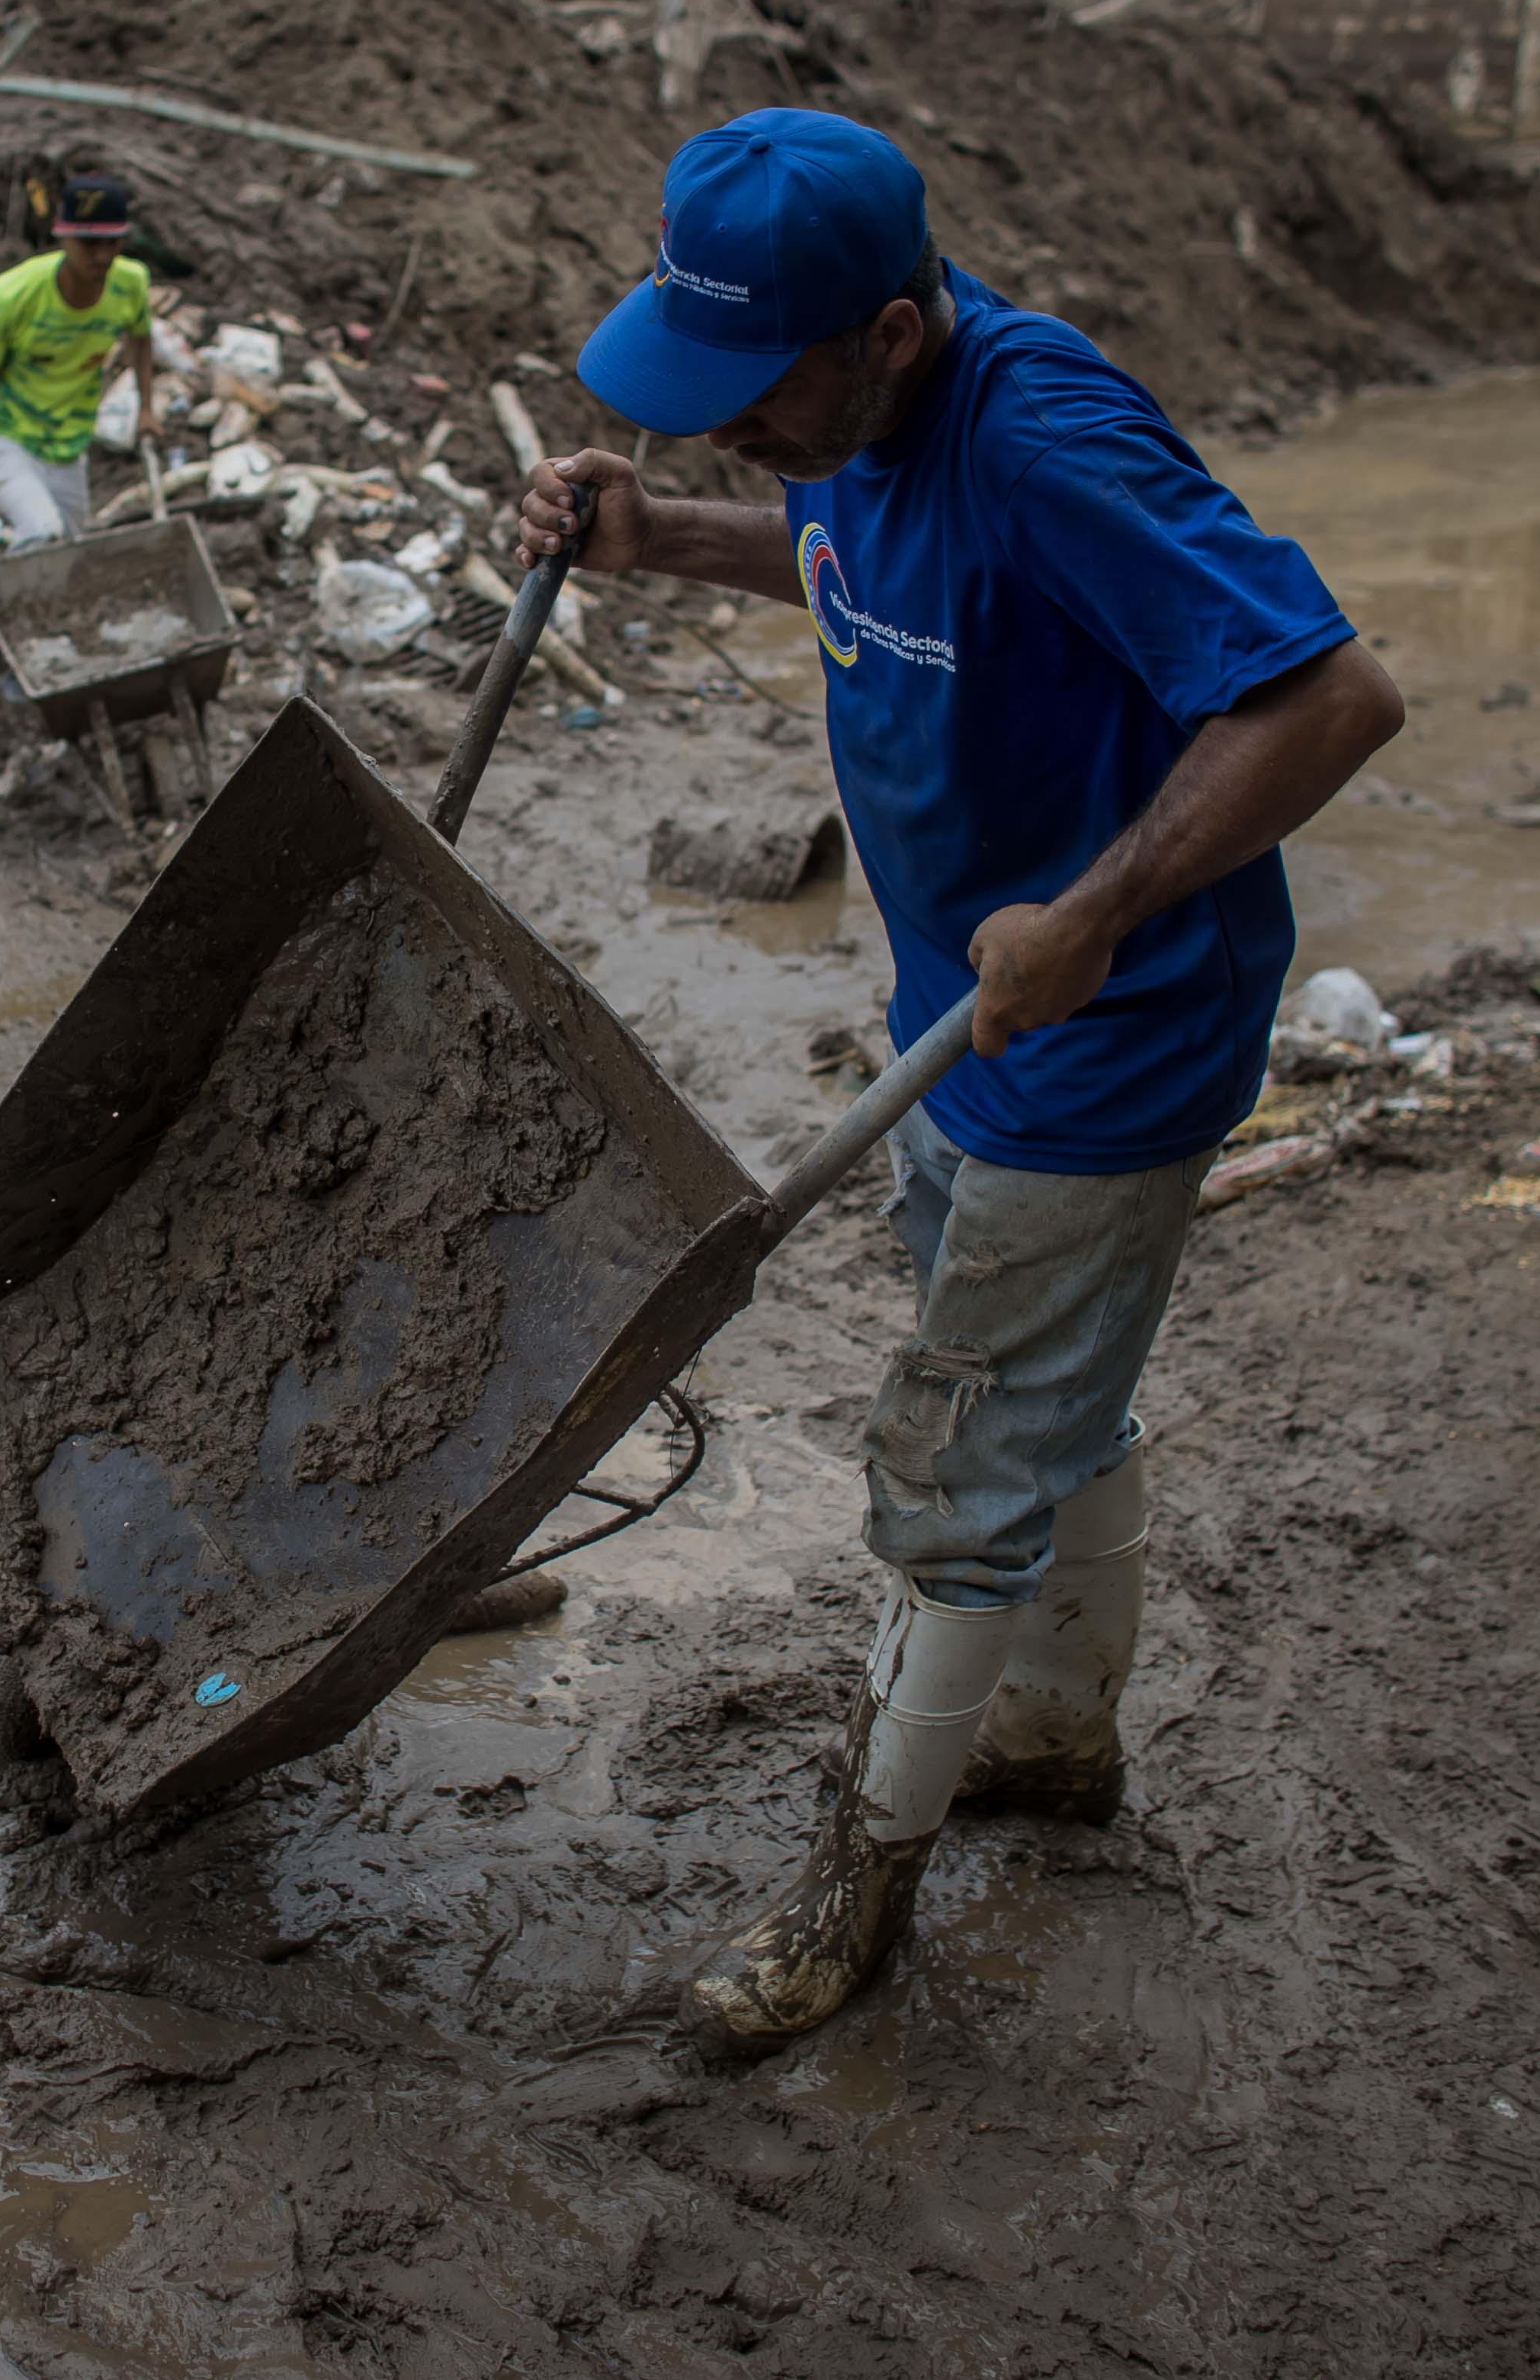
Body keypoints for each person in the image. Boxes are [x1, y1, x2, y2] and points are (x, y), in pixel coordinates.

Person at [521, 109, 1401, 2050]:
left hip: (1103, 1037)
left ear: (898, 334)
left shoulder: (1042, 441)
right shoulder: (865, 424)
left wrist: (1093, 910)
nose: (728, 431)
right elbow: (862, 554)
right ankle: (1057, 1739)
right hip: (965, 1021)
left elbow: (1328, 694)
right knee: (1045, 1409)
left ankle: (856, 1886)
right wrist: (660, 537)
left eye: (755, 400)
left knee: (952, 1466)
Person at [0, 172, 157, 548]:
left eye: (112, 243)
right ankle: (17, 604)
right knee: (43, 534)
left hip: (69, 441)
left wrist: (147, 408)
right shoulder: (9, 298)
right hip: (4, 433)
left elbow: (141, 341)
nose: (102, 256)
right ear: (62, 237)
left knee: (73, 549)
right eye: (88, 243)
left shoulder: (130, 284)